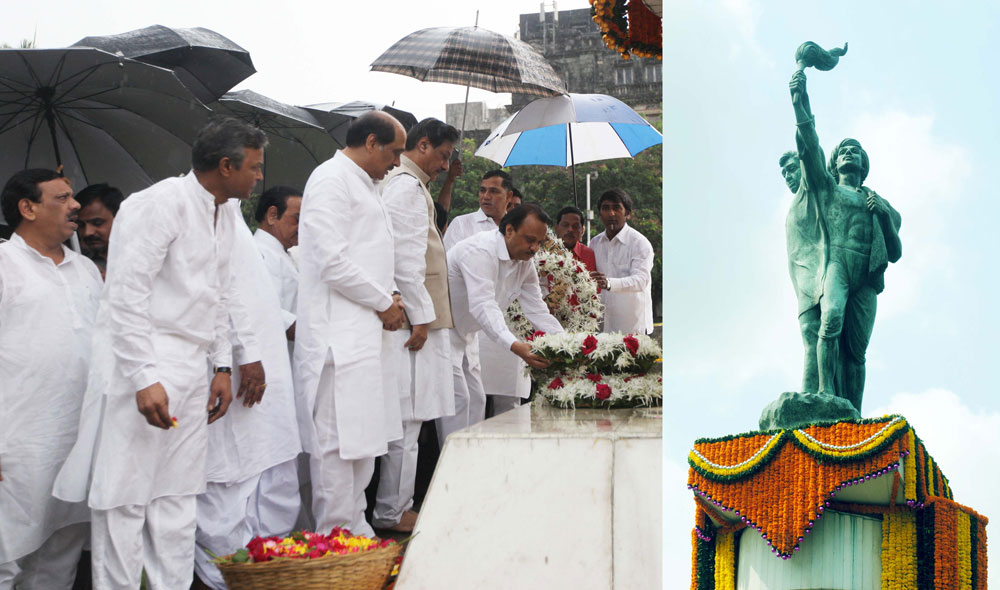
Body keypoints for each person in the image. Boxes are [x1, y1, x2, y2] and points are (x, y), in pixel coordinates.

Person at [52, 117, 268, 590]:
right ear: (226, 165)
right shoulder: (158, 205)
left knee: (177, 494)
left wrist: (223, 365)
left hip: (192, 366)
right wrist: (143, 377)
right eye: (254, 167)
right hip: (144, 361)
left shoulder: (225, 211)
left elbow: (219, 293)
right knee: (124, 497)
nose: (259, 178)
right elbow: (126, 297)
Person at [293, 111, 406, 538]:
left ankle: (356, 540)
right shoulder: (330, 179)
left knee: (363, 446)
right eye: (394, 152)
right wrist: (383, 302)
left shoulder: (368, 184)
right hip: (337, 340)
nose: (396, 163)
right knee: (338, 450)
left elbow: (372, 255)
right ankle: (335, 542)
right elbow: (330, 260)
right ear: (372, 142)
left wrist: (391, 295)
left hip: (365, 337)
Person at [0, 170, 102, 590]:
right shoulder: (4, 264)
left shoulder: (87, 271)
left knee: (60, 558)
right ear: (28, 208)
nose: (76, 205)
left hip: (77, 441)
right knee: (7, 557)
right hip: (18, 445)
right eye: (62, 198)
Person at [192, 202, 302, 590]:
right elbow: (222, 300)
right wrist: (239, 360)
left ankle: (260, 566)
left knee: (271, 472)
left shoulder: (233, 222)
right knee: (226, 482)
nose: (257, 175)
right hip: (234, 373)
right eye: (252, 165)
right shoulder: (203, 220)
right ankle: (225, 575)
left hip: (268, 372)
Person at [786, 69, 901, 411]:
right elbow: (810, 146)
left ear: (864, 164)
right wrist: (800, 103)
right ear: (835, 163)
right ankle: (824, 391)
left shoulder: (882, 204)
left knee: (858, 351)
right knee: (830, 318)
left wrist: (881, 213)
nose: (850, 152)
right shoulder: (829, 190)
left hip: (865, 275)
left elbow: (894, 253)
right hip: (836, 262)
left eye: (856, 150)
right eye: (844, 150)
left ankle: (854, 410)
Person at [374, 117, 458, 533]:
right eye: (443, 156)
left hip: (418, 315)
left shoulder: (410, 185)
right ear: (422, 145)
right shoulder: (405, 186)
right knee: (408, 418)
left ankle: (396, 505)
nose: (445, 165)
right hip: (415, 319)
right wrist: (420, 319)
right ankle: (393, 510)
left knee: (413, 417)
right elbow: (405, 259)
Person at [443, 204, 563, 443]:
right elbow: (483, 305)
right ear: (509, 230)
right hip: (443, 333)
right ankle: (450, 468)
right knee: (458, 402)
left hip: (467, 335)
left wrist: (568, 342)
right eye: (530, 240)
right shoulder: (479, 251)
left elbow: (537, 309)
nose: (534, 249)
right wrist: (516, 346)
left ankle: (472, 462)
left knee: (476, 399)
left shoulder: (524, 262)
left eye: (539, 242)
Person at [590, 189, 655, 335]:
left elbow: (641, 280)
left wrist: (609, 283)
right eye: (606, 208)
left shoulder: (639, 243)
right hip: (601, 330)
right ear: (600, 214)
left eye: (616, 208)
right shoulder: (594, 243)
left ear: (628, 213)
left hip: (633, 329)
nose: (611, 213)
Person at [253, 185, 302, 342]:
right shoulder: (259, 253)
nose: (303, 227)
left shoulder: (282, 253)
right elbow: (264, 310)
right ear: (272, 215)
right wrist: (311, 333)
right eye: (297, 219)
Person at [442, 169, 512, 251]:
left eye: (493, 191)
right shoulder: (461, 224)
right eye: (482, 190)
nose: (486, 196)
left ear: (508, 196)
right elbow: (446, 261)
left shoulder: (516, 227)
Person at [74, 183, 124, 279]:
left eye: (97, 223)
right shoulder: (79, 266)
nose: (87, 232)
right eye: (81, 225)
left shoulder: (146, 257)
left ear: (119, 218)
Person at [555, 205, 597, 272]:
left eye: (575, 226)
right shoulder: (546, 253)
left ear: (582, 231)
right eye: (565, 225)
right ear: (556, 228)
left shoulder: (588, 254)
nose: (570, 229)